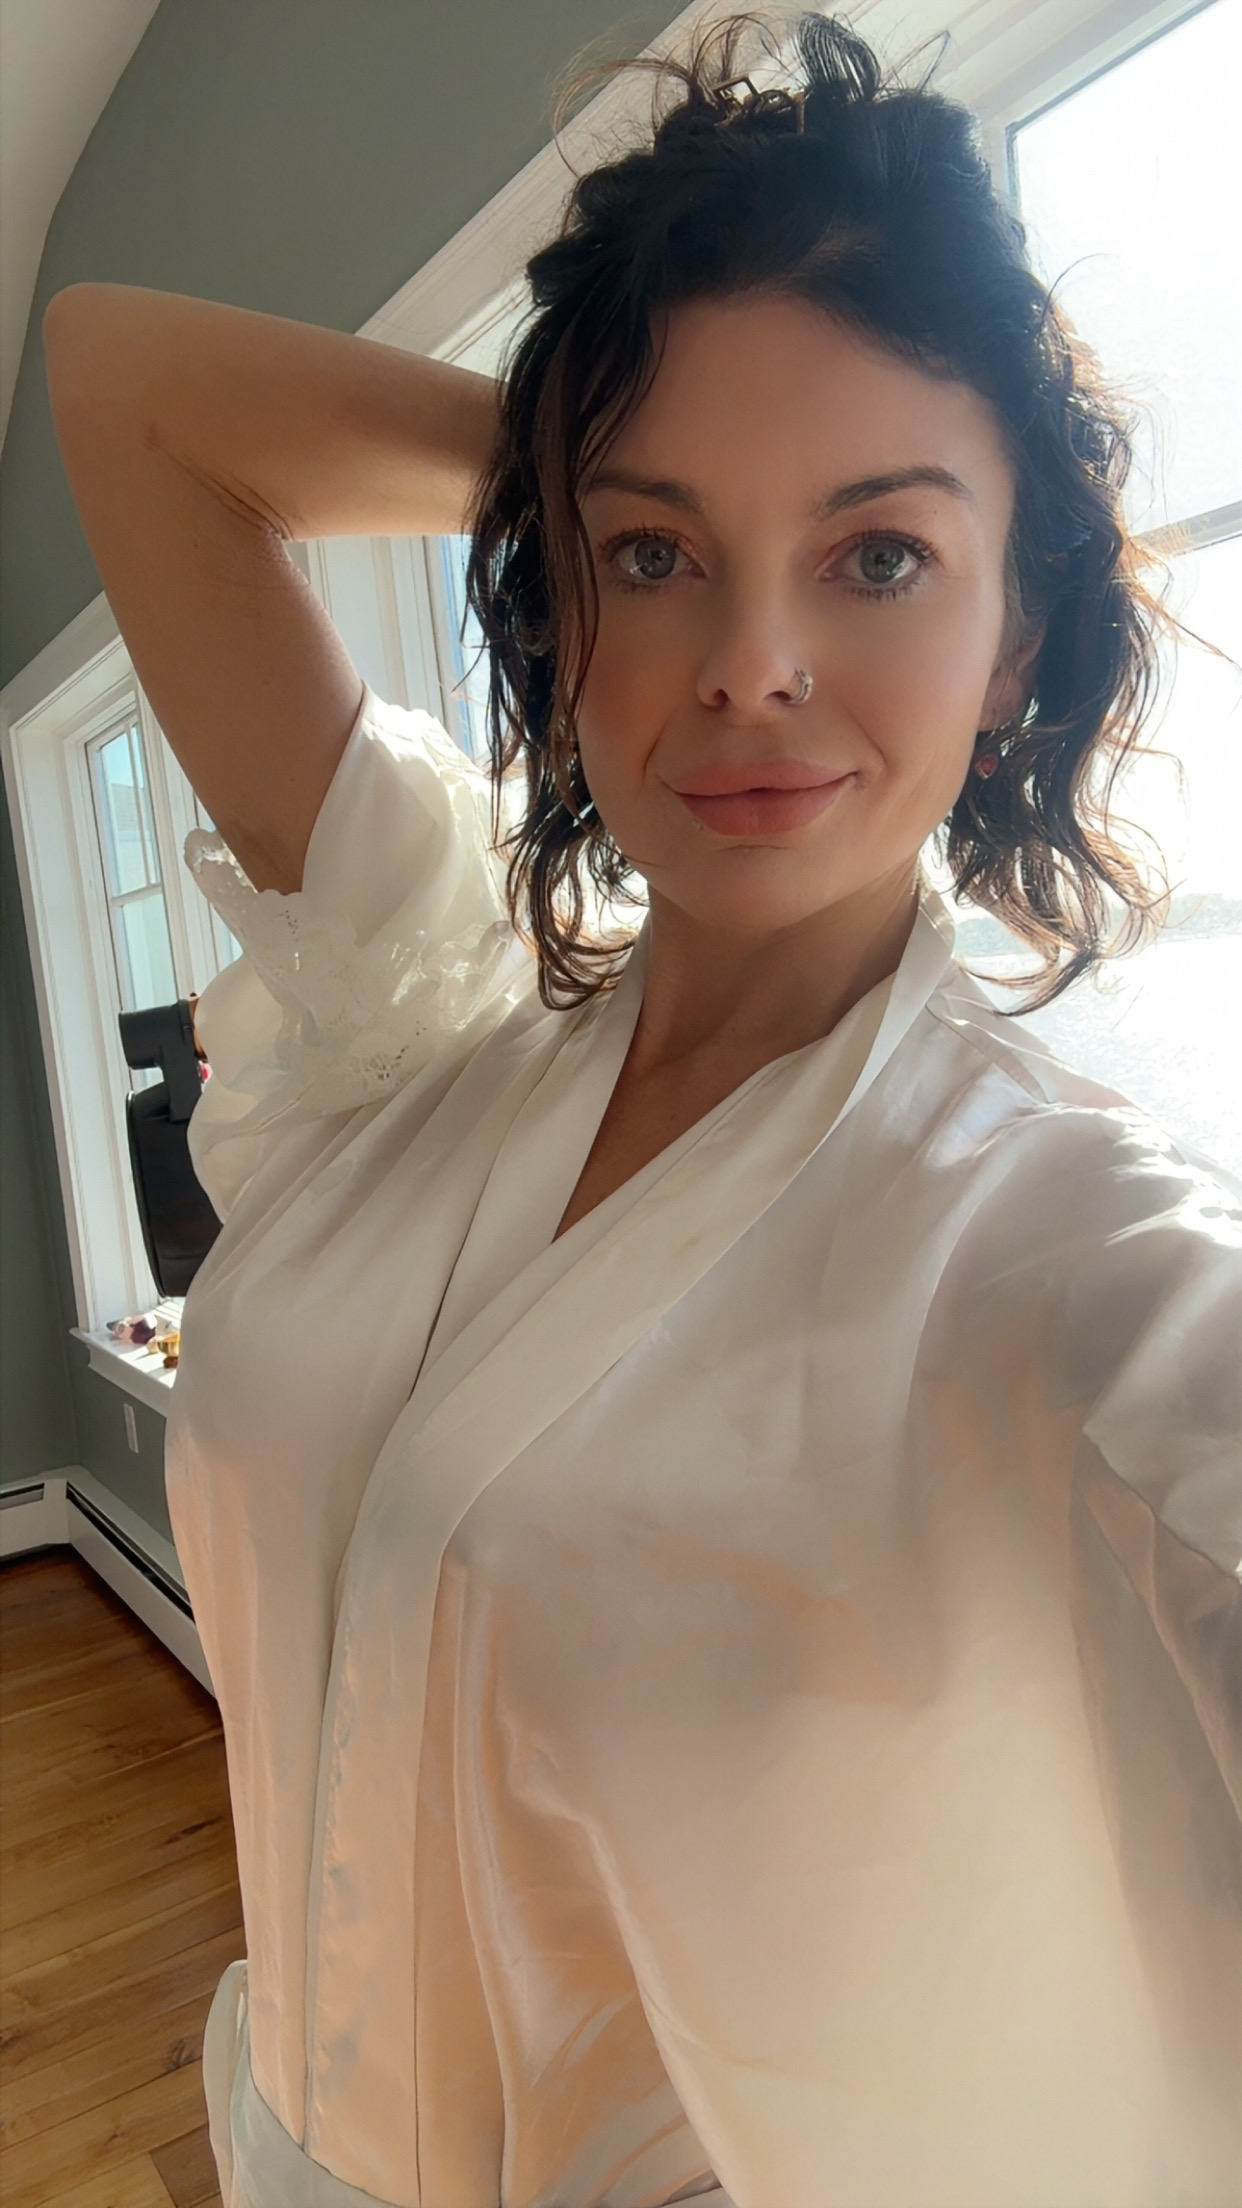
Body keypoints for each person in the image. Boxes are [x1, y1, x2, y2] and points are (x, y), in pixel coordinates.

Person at [43, 15, 1240, 2207]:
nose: (748, 663)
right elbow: (120, 378)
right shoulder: (413, 1026)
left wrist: (657, 472)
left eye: (878, 555)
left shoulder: (1067, 1248)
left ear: (1016, 628)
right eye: (656, 556)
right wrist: (578, 451)